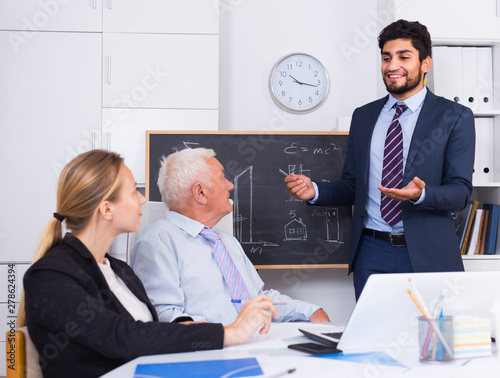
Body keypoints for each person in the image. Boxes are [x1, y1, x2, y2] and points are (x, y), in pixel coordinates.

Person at [18, 149, 278, 378]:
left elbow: (152, 335)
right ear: (107, 209)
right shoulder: (50, 275)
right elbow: (122, 337)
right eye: (133, 192)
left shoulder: (120, 272)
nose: (143, 199)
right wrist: (229, 333)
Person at [285, 19, 475, 300]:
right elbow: (353, 185)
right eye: (386, 57)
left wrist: (421, 194)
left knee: (431, 341)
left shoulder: (455, 116)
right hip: (372, 253)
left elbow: (460, 192)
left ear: (425, 64)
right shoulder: (364, 116)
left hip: (428, 254)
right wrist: (316, 190)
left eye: (403, 56)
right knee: (373, 340)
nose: (392, 65)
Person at [130, 148, 330, 325]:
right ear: (200, 192)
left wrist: (309, 311)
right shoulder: (158, 242)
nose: (230, 185)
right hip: (210, 353)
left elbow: (256, 299)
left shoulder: (226, 241)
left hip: (253, 345)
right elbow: (166, 317)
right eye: (222, 178)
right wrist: (228, 334)